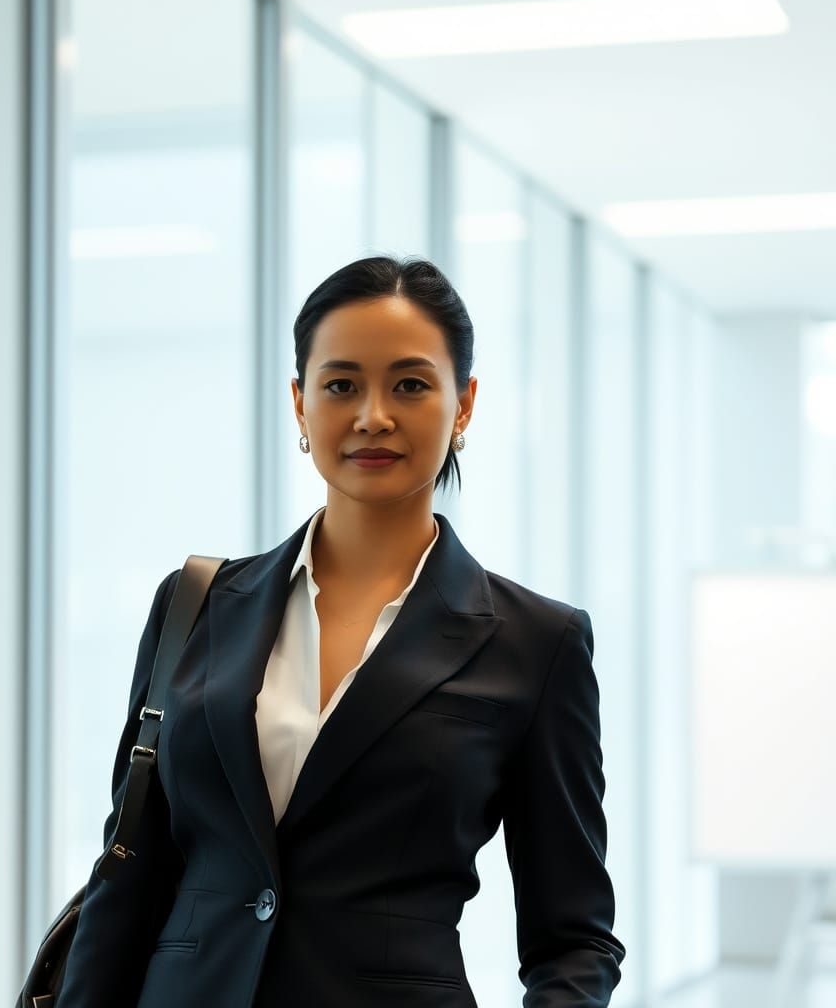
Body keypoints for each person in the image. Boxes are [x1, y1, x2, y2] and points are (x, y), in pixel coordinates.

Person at [57, 255, 626, 1007]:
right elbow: (130, 869)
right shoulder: (194, 603)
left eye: (412, 384)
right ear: (300, 403)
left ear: (464, 405)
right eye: (341, 384)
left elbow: (574, 939)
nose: (373, 415)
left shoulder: (536, 644)